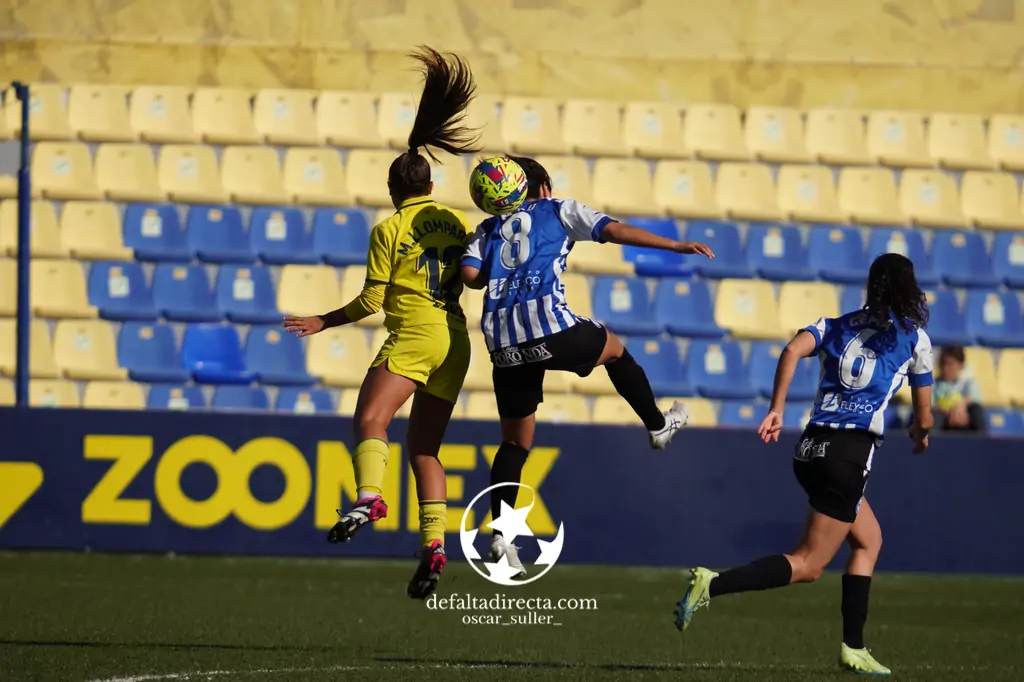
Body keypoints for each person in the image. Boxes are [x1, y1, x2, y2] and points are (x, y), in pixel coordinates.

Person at [673, 253, 934, 677]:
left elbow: (793, 349)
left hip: (810, 448)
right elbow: (923, 414)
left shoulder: (835, 325)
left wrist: (777, 408)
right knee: (809, 564)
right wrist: (922, 433)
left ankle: (854, 647)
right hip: (849, 454)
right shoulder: (915, 338)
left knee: (868, 540)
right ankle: (711, 584)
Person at [283, 46, 480, 600]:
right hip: (457, 343)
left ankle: (370, 496)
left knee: (370, 422)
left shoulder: (389, 230)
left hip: (416, 336)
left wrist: (325, 319)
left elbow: (372, 300)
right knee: (426, 451)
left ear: (395, 191)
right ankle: (435, 546)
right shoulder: (455, 221)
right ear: (432, 188)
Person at [459, 155, 715, 575]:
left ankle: (501, 533)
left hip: (503, 341)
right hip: (550, 327)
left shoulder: (485, 231)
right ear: (539, 187)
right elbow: (613, 230)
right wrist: (673, 245)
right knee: (614, 350)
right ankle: (656, 425)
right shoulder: (558, 209)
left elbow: (471, 276)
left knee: (516, 443)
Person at [932, 345, 985, 432]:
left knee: (976, 411)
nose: (945, 368)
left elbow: (974, 399)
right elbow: (930, 404)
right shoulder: (934, 383)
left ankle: (983, 443)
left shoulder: (969, 383)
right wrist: (950, 413)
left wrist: (961, 407)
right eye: (942, 364)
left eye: (950, 364)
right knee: (934, 416)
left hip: (964, 417)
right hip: (944, 419)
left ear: (960, 366)